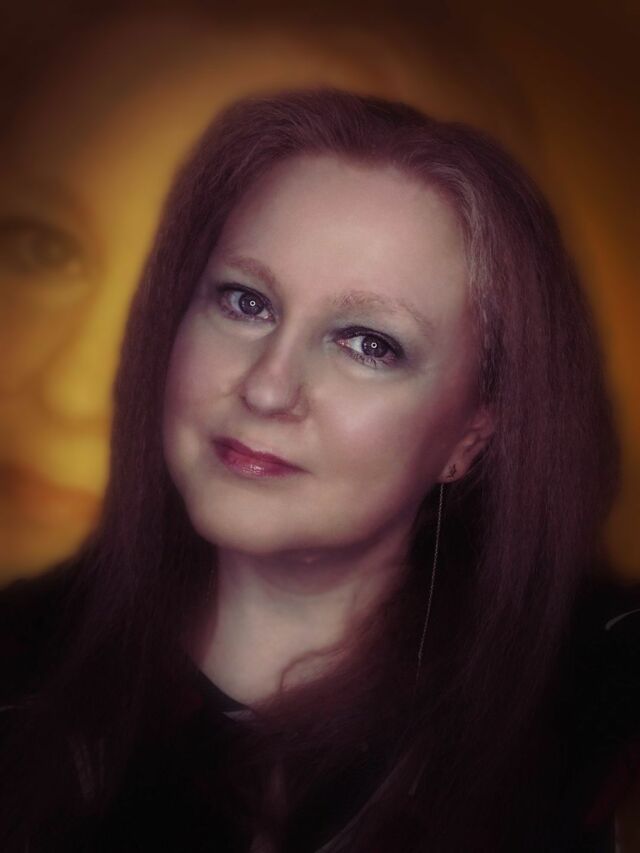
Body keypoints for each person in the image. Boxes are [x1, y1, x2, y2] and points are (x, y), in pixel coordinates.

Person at [0, 88, 638, 853]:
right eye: (246, 302)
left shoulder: (587, 731)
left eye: (369, 343)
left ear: (470, 436)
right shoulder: (18, 668)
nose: (268, 386)